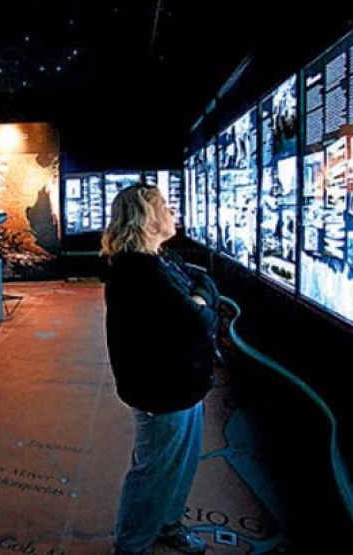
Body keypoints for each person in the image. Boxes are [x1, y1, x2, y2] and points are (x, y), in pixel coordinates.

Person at [101, 183, 222, 555]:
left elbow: (206, 286)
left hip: (183, 384)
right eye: (166, 206)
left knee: (179, 465)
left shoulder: (159, 261)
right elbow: (199, 317)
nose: (173, 212)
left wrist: (201, 299)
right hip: (162, 389)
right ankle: (131, 545)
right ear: (146, 218)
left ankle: (168, 524)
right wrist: (200, 303)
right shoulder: (138, 272)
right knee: (155, 471)